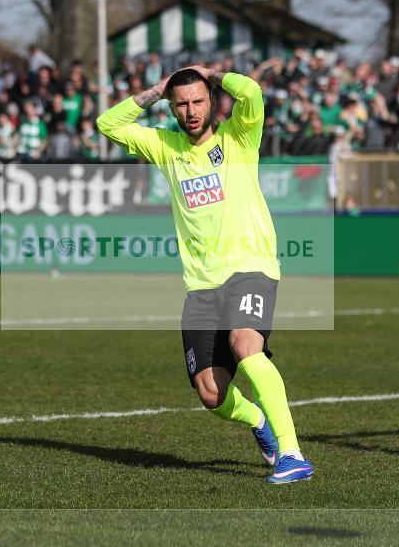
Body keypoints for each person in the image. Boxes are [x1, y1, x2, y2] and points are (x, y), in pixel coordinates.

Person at [96, 65, 313, 485]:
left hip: (251, 266)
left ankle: (292, 454)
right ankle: (258, 421)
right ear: (172, 108)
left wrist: (212, 74)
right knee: (211, 394)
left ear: (212, 100)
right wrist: (157, 90)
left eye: (198, 101)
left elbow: (251, 92)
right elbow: (108, 123)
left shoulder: (238, 138)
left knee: (245, 345)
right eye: (182, 104)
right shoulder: (166, 147)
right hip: (201, 285)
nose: (191, 111)